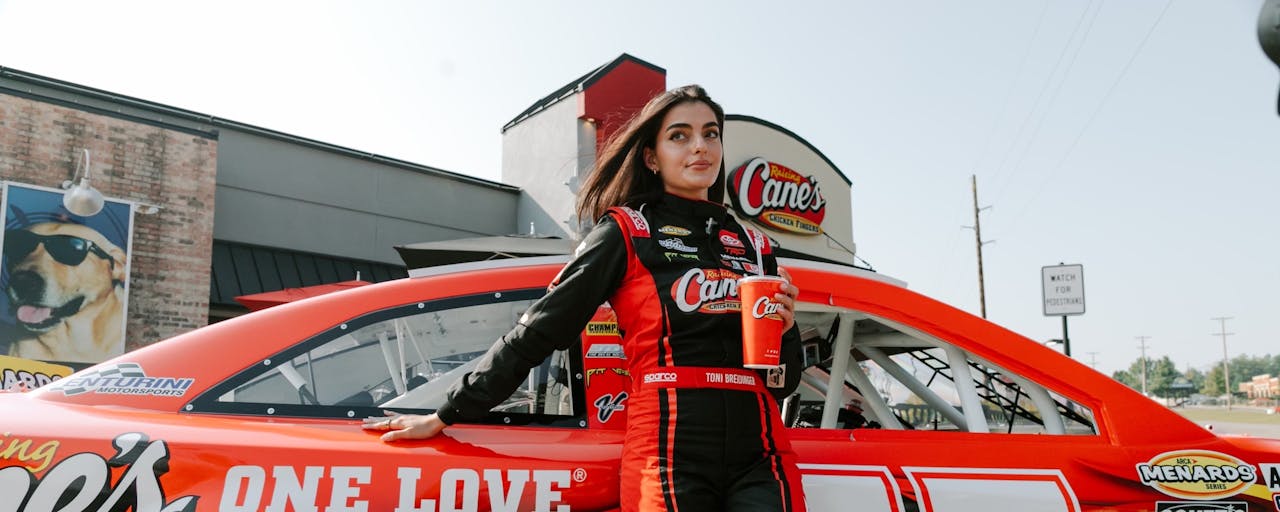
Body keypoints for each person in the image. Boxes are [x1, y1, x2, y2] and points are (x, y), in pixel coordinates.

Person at [364, 85, 807, 511]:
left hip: (761, 448)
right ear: (651, 157)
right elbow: (539, 329)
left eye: (711, 134)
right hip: (671, 445)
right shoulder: (626, 231)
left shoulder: (754, 245)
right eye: (680, 136)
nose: (700, 147)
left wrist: (785, 331)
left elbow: (781, 382)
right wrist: (446, 412)